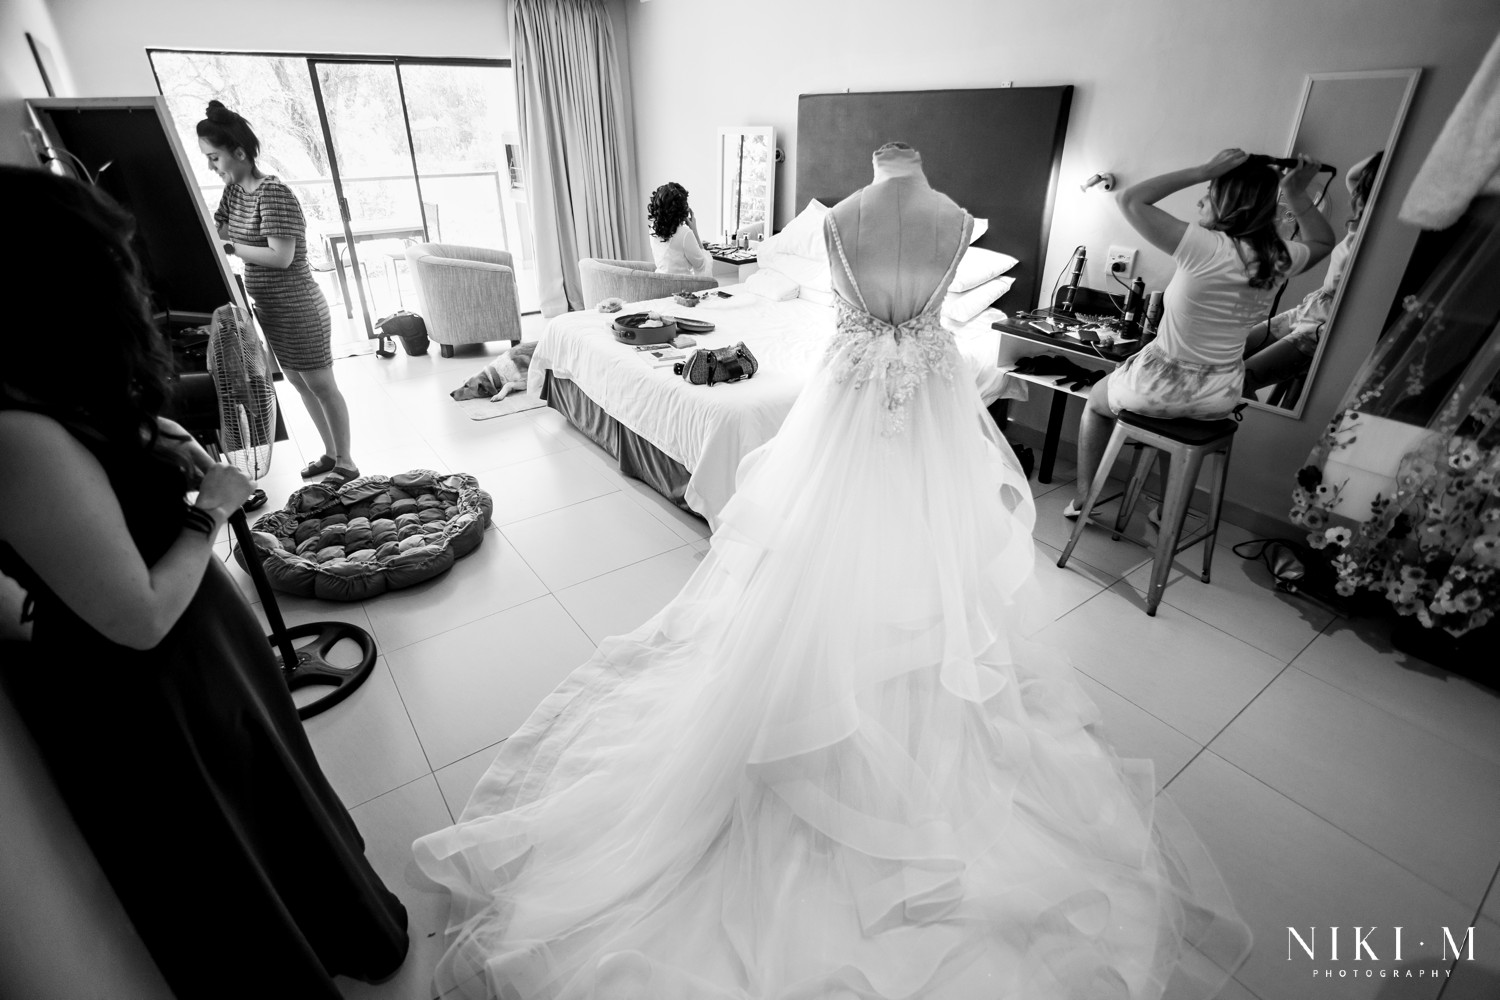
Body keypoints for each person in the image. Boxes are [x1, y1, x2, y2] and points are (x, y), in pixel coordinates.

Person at [413, 143, 1252, 1000]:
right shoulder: (929, 217)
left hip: (852, 403)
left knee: (861, 563)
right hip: (918, 408)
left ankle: (875, 715)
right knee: (899, 564)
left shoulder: (875, 218)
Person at [0, 166, 408, 998]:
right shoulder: (15, 435)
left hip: (201, 651)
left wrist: (153, 436)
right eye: (112, 265)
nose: (131, 284)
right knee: (232, 831)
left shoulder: (43, 394)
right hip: (156, 684)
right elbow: (138, 616)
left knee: (273, 798)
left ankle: (341, 927)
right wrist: (211, 510)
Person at [1070, 149, 1336, 517]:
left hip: (1158, 387)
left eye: (1209, 192)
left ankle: (1085, 499)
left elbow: (1130, 198)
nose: (1200, 199)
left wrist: (1203, 168)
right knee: (1174, 421)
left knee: (1096, 404)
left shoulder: (1203, 246)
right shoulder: (1278, 256)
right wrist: (1296, 191)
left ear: (1227, 203)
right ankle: (1166, 510)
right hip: (1219, 396)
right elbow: (1324, 242)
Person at [197, 100, 359, 485]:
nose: (211, 166)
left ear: (239, 153)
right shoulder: (235, 193)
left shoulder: (274, 194)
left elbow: (280, 256)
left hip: (300, 307)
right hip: (270, 309)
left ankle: (348, 462)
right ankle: (332, 454)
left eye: (214, 157)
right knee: (301, 384)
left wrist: (233, 248)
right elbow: (216, 231)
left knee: (321, 384)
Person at [1242, 151, 1385, 398]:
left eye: (1365, 192)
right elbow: (1353, 175)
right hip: (1309, 308)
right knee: (1228, 350)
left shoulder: (1382, 231)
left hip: (1325, 326)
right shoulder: (1357, 225)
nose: (1358, 198)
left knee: (1240, 379)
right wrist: (1387, 157)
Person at [647, 180, 714, 277]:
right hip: (682, 287)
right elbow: (702, 266)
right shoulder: (685, 233)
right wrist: (694, 231)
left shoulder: (653, 228)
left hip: (659, 281)